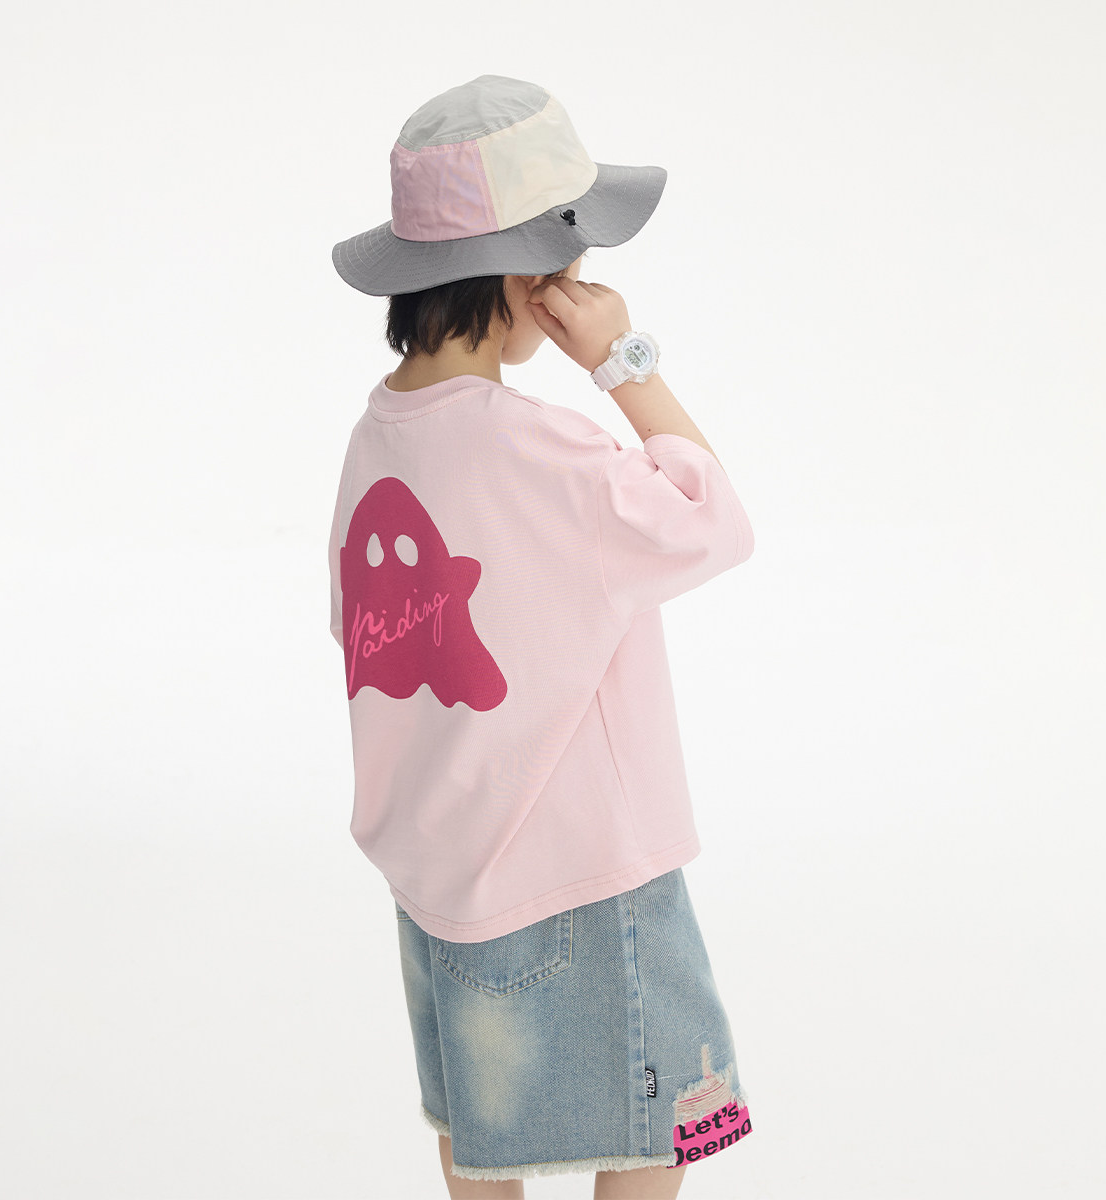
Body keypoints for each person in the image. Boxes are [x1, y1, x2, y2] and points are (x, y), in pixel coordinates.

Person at [328, 75, 756, 1199]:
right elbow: (713, 521)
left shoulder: (377, 440)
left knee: (479, 1131)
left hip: (441, 873)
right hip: (581, 870)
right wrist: (624, 360)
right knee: (660, 1128)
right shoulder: (540, 450)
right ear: (531, 280)